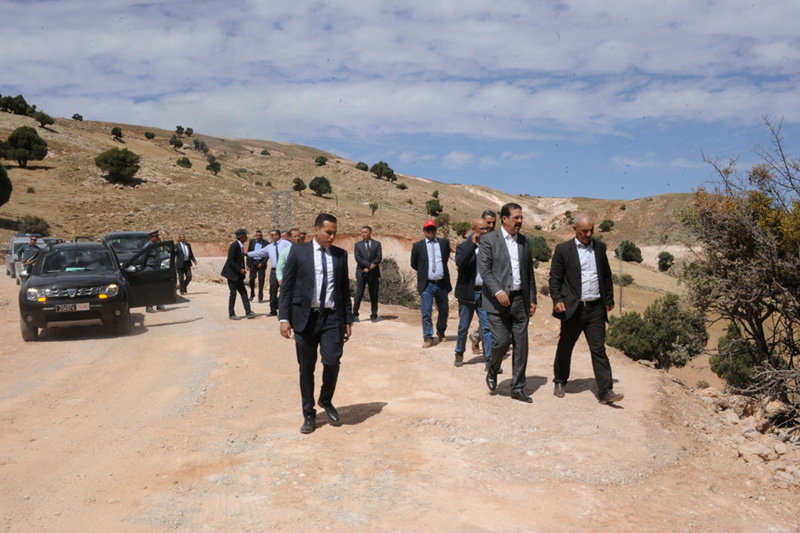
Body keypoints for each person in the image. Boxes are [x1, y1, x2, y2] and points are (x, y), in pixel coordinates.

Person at [279, 213, 353, 434]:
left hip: (331, 318)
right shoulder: (298, 252)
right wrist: (284, 318)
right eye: (328, 232)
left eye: (334, 233)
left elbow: (343, 290)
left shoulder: (340, 255)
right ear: (316, 229)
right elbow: (287, 287)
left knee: (332, 361)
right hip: (305, 318)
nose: (332, 237)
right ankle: (308, 414)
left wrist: (348, 319)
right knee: (306, 368)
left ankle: (325, 399)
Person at [549, 213, 623, 404]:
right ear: (575, 229)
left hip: (595, 307)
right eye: (584, 231)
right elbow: (555, 278)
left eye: (591, 230)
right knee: (566, 346)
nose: (588, 234)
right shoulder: (563, 250)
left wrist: (609, 298)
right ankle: (560, 380)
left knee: (598, 349)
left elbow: (605, 275)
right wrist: (557, 299)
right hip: (573, 308)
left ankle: (606, 391)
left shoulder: (599, 248)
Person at [479, 202, 537, 403]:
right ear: (504, 219)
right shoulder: (489, 240)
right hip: (496, 302)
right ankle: (493, 368)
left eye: (521, 218)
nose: (520, 221)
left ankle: (518, 387)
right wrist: (497, 291)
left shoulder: (525, 242)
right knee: (502, 341)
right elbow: (484, 270)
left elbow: (529, 272)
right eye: (516, 218)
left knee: (521, 344)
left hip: (520, 300)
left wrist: (532, 298)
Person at [454, 218, 494, 368]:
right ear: (474, 230)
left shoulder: (488, 247)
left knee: (487, 327)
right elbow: (461, 262)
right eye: (483, 229)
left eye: (487, 229)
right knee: (463, 326)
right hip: (467, 294)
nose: (486, 231)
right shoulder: (463, 247)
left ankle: (489, 360)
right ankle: (459, 352)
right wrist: (472, 244)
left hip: (484, 293)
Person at [410, 220, 451, 348]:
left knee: (444, 310)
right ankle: (428, 336)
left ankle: (441, 331)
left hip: (441, 283)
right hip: (427, 284)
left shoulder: (444, 243)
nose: (431, 232)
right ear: (424, 231)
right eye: (428, 230)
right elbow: (414, 263)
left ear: (436, 230)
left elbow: (445, 258)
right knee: (426, 311)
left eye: (433, 229)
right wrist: (424, 272)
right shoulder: (418, 246)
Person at [470, 209, 498, 354]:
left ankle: (478, 338)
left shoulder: (497, 239)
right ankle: (489, 353)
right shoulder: (472, 240)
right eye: (488, 223)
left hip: (494, 287)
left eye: (493, 223)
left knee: (490, 319)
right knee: (487, 320)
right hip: (478, 288)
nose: (491, 226)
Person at [248, 229, 290, 316]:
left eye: (273, 235)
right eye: (270, 235)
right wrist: (247, 254)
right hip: (274, 271)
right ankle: (273, 310)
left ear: (278, 235)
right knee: (272, 290)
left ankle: (284, 310)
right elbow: (259, 252)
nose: (271, 236)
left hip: (285, 271)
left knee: (285, 290)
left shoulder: (286, 244)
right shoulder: (270, 246)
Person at [220, 228, 256, 320]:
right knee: (233, 294)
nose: (247, 237)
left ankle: (248, 312)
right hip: (232, 274)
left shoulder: (240, 246)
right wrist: (240, 269)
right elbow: (230, 261)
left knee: (243, 292)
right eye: (245, 236)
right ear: (242, 237)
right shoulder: (234, 246)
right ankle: (231, 314)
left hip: (238, 275)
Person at [353, 225, 382, 322]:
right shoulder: (358, 245)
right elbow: (358, 258)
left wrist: (371, 266)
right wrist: (369, 266)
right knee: (359, 294)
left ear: (370, 233)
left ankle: (374, 314)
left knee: (374, 294)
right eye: (362, 232)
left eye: (365, 232)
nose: (363, 234)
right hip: (361, 272)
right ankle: (355, 314)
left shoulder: (377, 244)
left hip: (373, 273)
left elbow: (378, 257)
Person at [143, 230, 169, 312]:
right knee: (150, 288)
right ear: (151, 237)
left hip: (157, 268)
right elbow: (142, 258)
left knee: (158, 287)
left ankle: (159, 305)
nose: (157, 238)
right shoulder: (148, 246)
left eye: (157, 236)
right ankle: (149, 306)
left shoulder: (157, 245)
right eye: (156, 236)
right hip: (150, 268)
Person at [247, 230, 268, 303]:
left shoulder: (266, 243)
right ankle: (252, 294)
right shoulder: (252, 242)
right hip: (253, 263)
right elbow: (249, 252)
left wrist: (262, 263)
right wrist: (248, 264)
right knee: (251, 279)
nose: (258, 236)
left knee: (261, 280)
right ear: (255, 236)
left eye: (260, 235)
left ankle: (260, 297)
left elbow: (267, 255)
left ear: (262, 236)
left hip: (261, 263)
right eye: (257, 235)